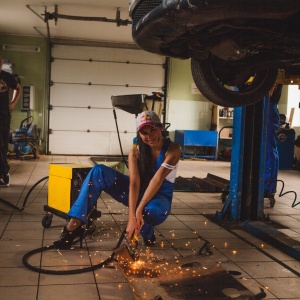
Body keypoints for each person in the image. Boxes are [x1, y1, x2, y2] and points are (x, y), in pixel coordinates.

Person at [53, 110, 181, 249]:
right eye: (144, 133)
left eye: (153, 130)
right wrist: (132, 216)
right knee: (98, 171)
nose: (149, 136)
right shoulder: (135, 152)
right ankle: (73, 226)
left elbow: (157, 180)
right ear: (139, 134)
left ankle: (147, 232)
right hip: (138, 190)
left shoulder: (173, 150)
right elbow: (134, 183)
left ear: (161, 128)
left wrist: (137, 212)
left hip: (159, 194)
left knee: (151, 211)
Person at [0, 56, 21, 187]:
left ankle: (4, 174)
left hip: (3, 116)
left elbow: (18, 88)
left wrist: (13, 102)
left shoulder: (6, 77)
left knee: (1, 145)